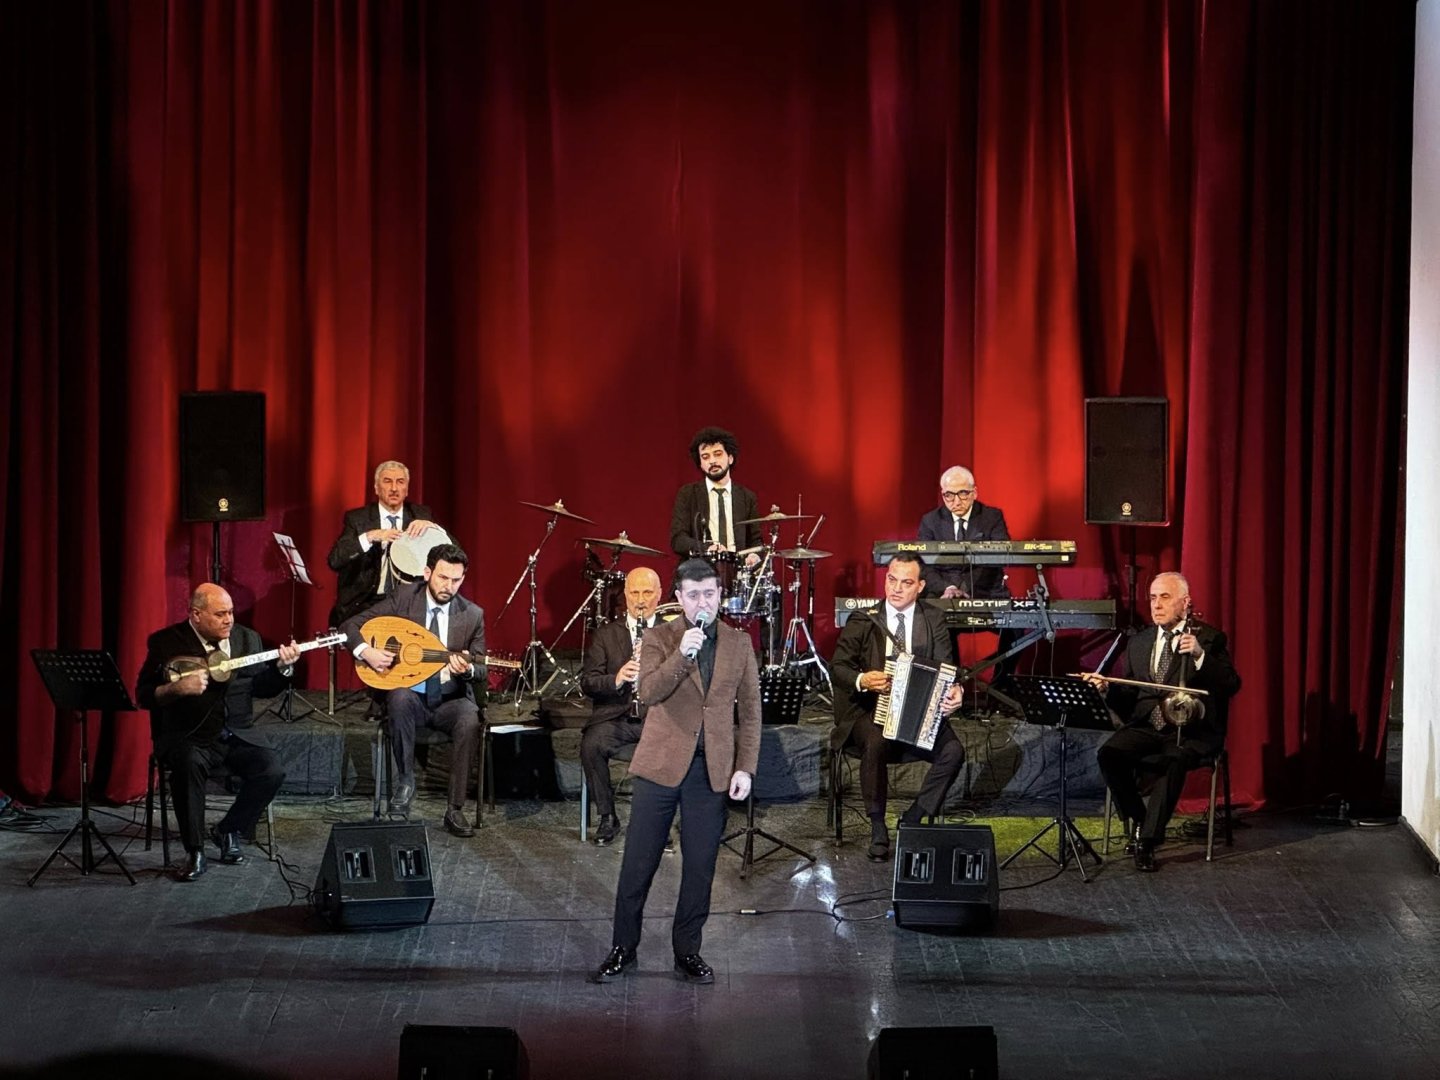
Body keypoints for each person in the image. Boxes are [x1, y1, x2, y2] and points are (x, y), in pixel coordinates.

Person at [591, 558, 761, 986]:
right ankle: (623, 948)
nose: (703, 602)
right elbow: (648, 691)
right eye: (694, 595)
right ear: (680, 599)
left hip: (710, 770)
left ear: (720, 596)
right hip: (661, 766)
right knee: (638, 865)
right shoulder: (660, 637)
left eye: (710, 594)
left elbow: (751, 713)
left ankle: (687, 952)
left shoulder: (739, 643)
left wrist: (745, 767)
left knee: (700, 868)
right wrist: (683, 655)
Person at [136, 584, 300, 882]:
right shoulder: (166, 642)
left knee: (271, 771)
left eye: (231, 613)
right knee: (188, 764)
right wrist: (175, 689)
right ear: (196, 615)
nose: (229, 620)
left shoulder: (246, 638)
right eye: (220, 614)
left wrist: (282, 669)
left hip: (237, 735)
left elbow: (261, 688)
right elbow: (143, 695)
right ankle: (195, 850)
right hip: (189, 735)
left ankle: (228, 830)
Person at [1084, 572, 1241, 872]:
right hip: (1148, 725)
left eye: (1165, 598)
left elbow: (1230, 685)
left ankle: (1147, 841)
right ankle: (1142, 820)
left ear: (1186, 602)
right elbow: (1129, 698)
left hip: (1191, 731)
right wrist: (1107, 690)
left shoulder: (1208, 638)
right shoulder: (1139, 641)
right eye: (1153, 598)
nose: (1156, 605)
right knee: (1109, 755)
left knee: (1173, 759)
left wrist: (1200, 656)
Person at [830, 553, 966, 862]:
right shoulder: (864, 619)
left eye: (906, 583)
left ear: (920, 586)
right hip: (870, 709)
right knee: (876, 740)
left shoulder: (933, 619)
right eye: (892, 580)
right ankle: (878, 826)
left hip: (918, 713)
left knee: (953, 752)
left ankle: (914, 817)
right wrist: (863, 679)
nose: (896, 588)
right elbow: (837, 667)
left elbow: (948, 668)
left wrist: (956, 690)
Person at [344, 542, 485, 838]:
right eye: (443, 577)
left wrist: (468, 669)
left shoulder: (472, 614)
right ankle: (406, 782)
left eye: (456, 580)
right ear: (427, 572)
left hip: (448, 700)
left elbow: (482, 666)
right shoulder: (405, 598)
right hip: (411, 699)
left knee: (469, 717)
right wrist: (367, 652)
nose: (449, 586)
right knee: (400, 696)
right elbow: (351, 625)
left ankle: (455, 808)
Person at [580, 566, 666, 846]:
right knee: (591, 745)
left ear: (659, 594)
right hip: (615, 717)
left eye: (647, 593)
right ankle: (607, 816)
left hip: (657, 717)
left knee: (672, 746)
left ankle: (658, 823)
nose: (640, 600)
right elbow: (588, 682)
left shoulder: (672, 633)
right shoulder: (605, 635)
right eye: (634, 593)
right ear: (625, 595)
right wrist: (617, 678)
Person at [327, 460, 445, 626]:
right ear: (376, 488)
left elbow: (455, 552)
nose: (394, 488)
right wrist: (370, 536)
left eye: (400, 482)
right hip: (367, 602)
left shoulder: (420, 515)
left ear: (407, 489)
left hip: (409, 603)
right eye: (387, 481)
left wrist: (434, 528)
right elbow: (335, 560)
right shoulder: (358, 519)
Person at [916, 465, 1010, 599]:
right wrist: (948, 588)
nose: (957, 502)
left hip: (983, 590)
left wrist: (963, 588)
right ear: (943, 495)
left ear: (974, 493)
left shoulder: (992, 517)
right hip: (942, 591)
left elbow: (997, 559)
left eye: (963, 493)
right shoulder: (930, 521)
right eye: (949, 495)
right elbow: (923, 563)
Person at [669, 427, 762, 561]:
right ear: (700, 464)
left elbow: (756, 540)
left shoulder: (747, 497)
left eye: (717, 454)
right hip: (700, 567)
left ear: (730, 458)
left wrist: (755, 556)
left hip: (738, 568)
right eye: (705, 457)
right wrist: (707, 548)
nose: (712, 461)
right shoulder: (688, 494)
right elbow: (678, 540)